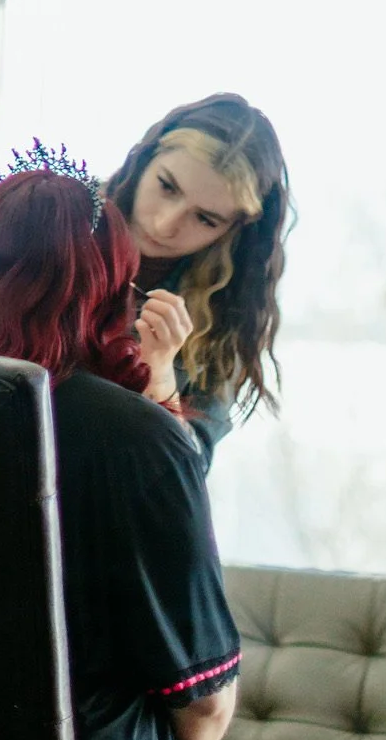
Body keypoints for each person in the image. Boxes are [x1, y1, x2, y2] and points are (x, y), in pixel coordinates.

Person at [0, 148, 320, 740]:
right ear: (110, 280)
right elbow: (203, 715)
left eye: (203, 215)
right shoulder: (141, 439)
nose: (171, 223)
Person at [102, 95, 291, 470]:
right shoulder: (55, 222)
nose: (165, 224)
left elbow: (183, 476)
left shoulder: (227, 311)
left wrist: (159, 374)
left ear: (235, 230)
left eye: (205, 219)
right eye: (167, 187)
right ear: (144, 159)